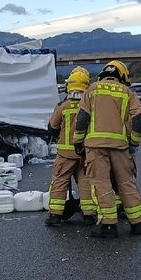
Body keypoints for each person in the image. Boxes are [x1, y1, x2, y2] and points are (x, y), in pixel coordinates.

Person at [73, 60, 141, 238]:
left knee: (101, 183)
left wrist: (78, 141)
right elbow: (139, 120)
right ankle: (136, 223)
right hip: (121, 147)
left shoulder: (92, 89)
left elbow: (82, 118)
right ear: (122, 76)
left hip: (96, 147)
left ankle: (108, 225)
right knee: (126, 183)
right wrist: (133, 144)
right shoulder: (128, 92)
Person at [45, 66, 96, 226]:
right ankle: (88, 215)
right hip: (84, 153)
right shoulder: (91, 106)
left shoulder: (62, 106)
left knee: (60, 181)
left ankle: (55, 216)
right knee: (86, 182)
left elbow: (52, 128)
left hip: (65, 154)